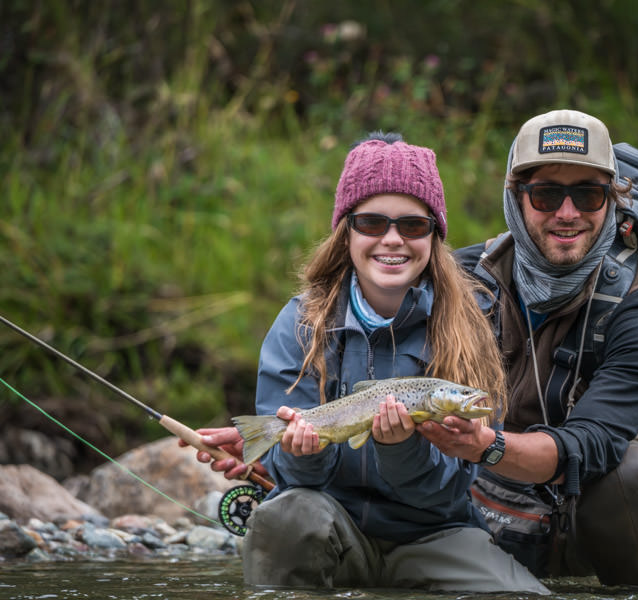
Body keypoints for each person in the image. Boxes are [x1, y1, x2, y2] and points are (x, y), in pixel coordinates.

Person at [205, 132, 548, 594]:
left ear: (434, 235)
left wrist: (400, 448)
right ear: (346, 231)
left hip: (436, 533)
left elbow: (452, 492)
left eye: (412, 225)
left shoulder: (471, 328)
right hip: (333, 527)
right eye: (371, 223)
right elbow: (294, 484)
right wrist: (302, 452)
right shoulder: (301, 323)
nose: (392, 240)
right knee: (284, 516)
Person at [418, 109, 638, 588]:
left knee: (627, 474)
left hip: (606, 508)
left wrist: (485, 447)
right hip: (485, 497)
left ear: (610, 202)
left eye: (589, 194)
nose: (567, 213)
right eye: (547, 193)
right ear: (516, 198)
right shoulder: (459, 280)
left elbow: (592, 447)